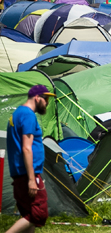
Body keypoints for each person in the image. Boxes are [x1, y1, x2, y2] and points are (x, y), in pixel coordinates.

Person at [6, 85, 54, 233]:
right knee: (39, 215)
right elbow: (27, 148)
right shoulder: (28, 115)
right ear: (37, 97)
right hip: (27, 174)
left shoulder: (17, 114)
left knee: (29, 215)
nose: (47, 103)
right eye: (45, 99)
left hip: (19, 173)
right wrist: (32, 179)